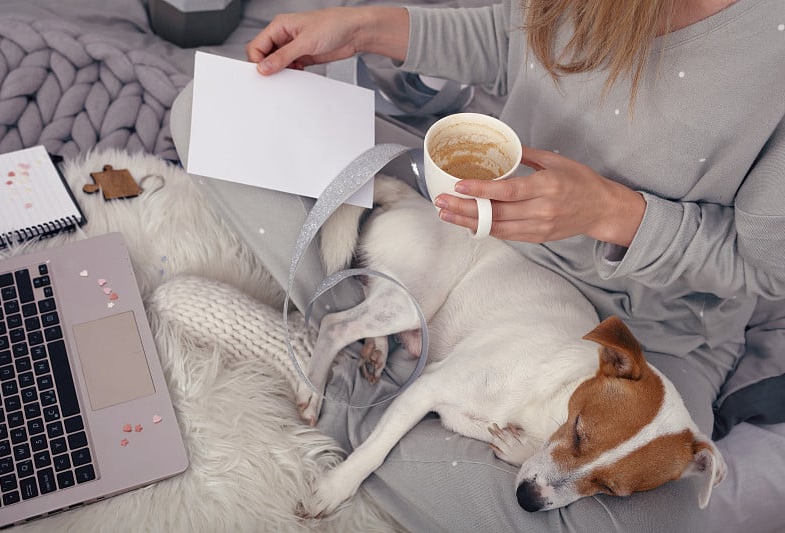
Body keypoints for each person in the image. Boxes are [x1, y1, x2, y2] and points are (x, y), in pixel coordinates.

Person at [170, 1, 785, 531]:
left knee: (660, 521)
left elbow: (768, 271)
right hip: (485, 231)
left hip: (649, 331)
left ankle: (350, 383)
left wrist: (613, 213)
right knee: (214, 108)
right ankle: (383, 375)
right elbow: (516, 35)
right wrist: (362, 29)